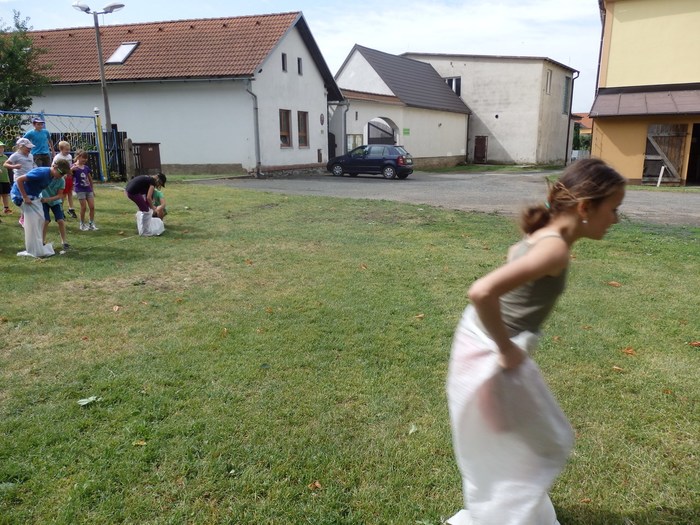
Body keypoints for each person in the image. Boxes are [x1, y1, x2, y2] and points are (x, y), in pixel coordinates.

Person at [446, 158, 626, 525]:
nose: (616, 219)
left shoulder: (541, 237)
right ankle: (501, 514)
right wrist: (505, 348)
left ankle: (516, 511)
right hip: (492, 352)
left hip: (484, 343)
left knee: (514, 438)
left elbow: (511, 262)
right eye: (613, 209)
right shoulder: (554, 248)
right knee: (547, 440)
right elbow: (481, 292)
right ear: (585, 208)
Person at [10, 160, 71, 257]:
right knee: (33, 223)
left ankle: (37, 246)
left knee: (41, 220)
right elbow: (19, 180)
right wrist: (25, 197)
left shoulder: (52, 176)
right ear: (55, 167)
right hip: (19, 196)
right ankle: (32, 250)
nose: (62, 176)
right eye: (61, 173)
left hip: (32, 196)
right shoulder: (42, 173)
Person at [4, 137, 36, 227]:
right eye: (28, 148)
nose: (29, 149)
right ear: (21, 147)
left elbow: (32, 165)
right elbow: (5, 164)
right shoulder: (15, 155)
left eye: (30, 148)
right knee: (19, 199)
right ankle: (24, 216)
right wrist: (14, 166)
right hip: (19, 180)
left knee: (29, 199)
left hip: (29, 180)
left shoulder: (30, 155)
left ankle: (24, 217)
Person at [39, 164, 69, 250]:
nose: (61, 176)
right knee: (45, 221)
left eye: (63, 175)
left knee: (60, 221)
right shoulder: (47, 176)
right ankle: (42, 241)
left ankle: (64, 241)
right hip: (43, 200)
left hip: (55, 202)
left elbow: (60, 195)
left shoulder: (62, 180)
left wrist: (48, 199)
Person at [71, 150, 98, 231]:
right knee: (83, 207)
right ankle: (82, 224)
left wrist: (92, 189)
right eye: (83, 158)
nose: (85, 159)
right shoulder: (74, 167)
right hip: (80, 190)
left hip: (88, 189)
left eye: (86, 158)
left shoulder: (86, 168)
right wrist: (71, 170)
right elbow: (68, 176)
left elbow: (90, 179)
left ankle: (91, 224)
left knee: (92, 207)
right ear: (78, 157)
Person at [53, 140, 78, 218]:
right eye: (66, 149)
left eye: (69, 149)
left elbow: (69, 166)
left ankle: (71, 209)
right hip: (62, 177)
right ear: (61, 149)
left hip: (69, 177)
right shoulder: (58, 157)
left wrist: (71, 170)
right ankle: (61, 209)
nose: (68, 151)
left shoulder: (69, 156)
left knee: (69, 192)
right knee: (63, 194)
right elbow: (53, 166)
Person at [0, 141, 12, 217]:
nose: (1, 149)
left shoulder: (5, 157)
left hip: (5, 179)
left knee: (5, 194)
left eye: (2, 147)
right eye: (0, 147)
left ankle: (6, 208)